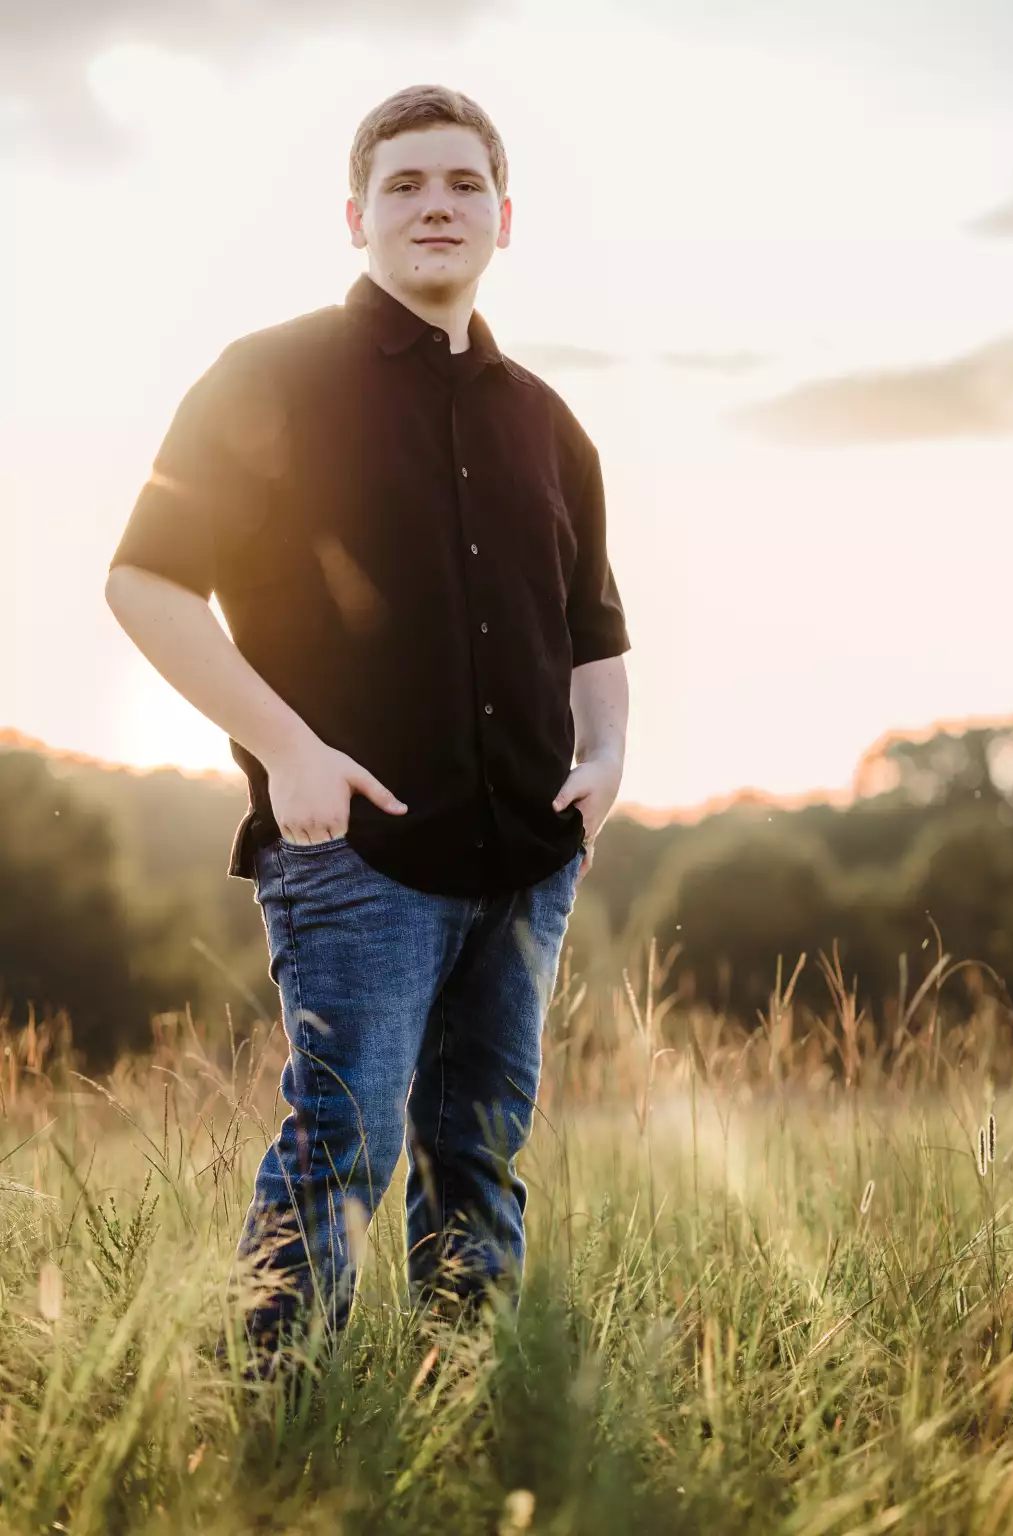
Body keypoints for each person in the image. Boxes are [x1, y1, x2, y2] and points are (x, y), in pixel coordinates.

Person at [105, 83, 630, 1360]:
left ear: (504, 216)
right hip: (356, 855)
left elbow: (595, 629)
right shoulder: (265, 377)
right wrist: (287, 750)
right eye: (404, 185)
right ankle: (281, 1430)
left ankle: (464, 1411)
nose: (434, 206)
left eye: (461, 185)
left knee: (481, 1155)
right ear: (356, 217)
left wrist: (605, 763)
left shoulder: (549, 425)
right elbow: (143, 582)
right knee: (345, 1147)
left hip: (527, 863)